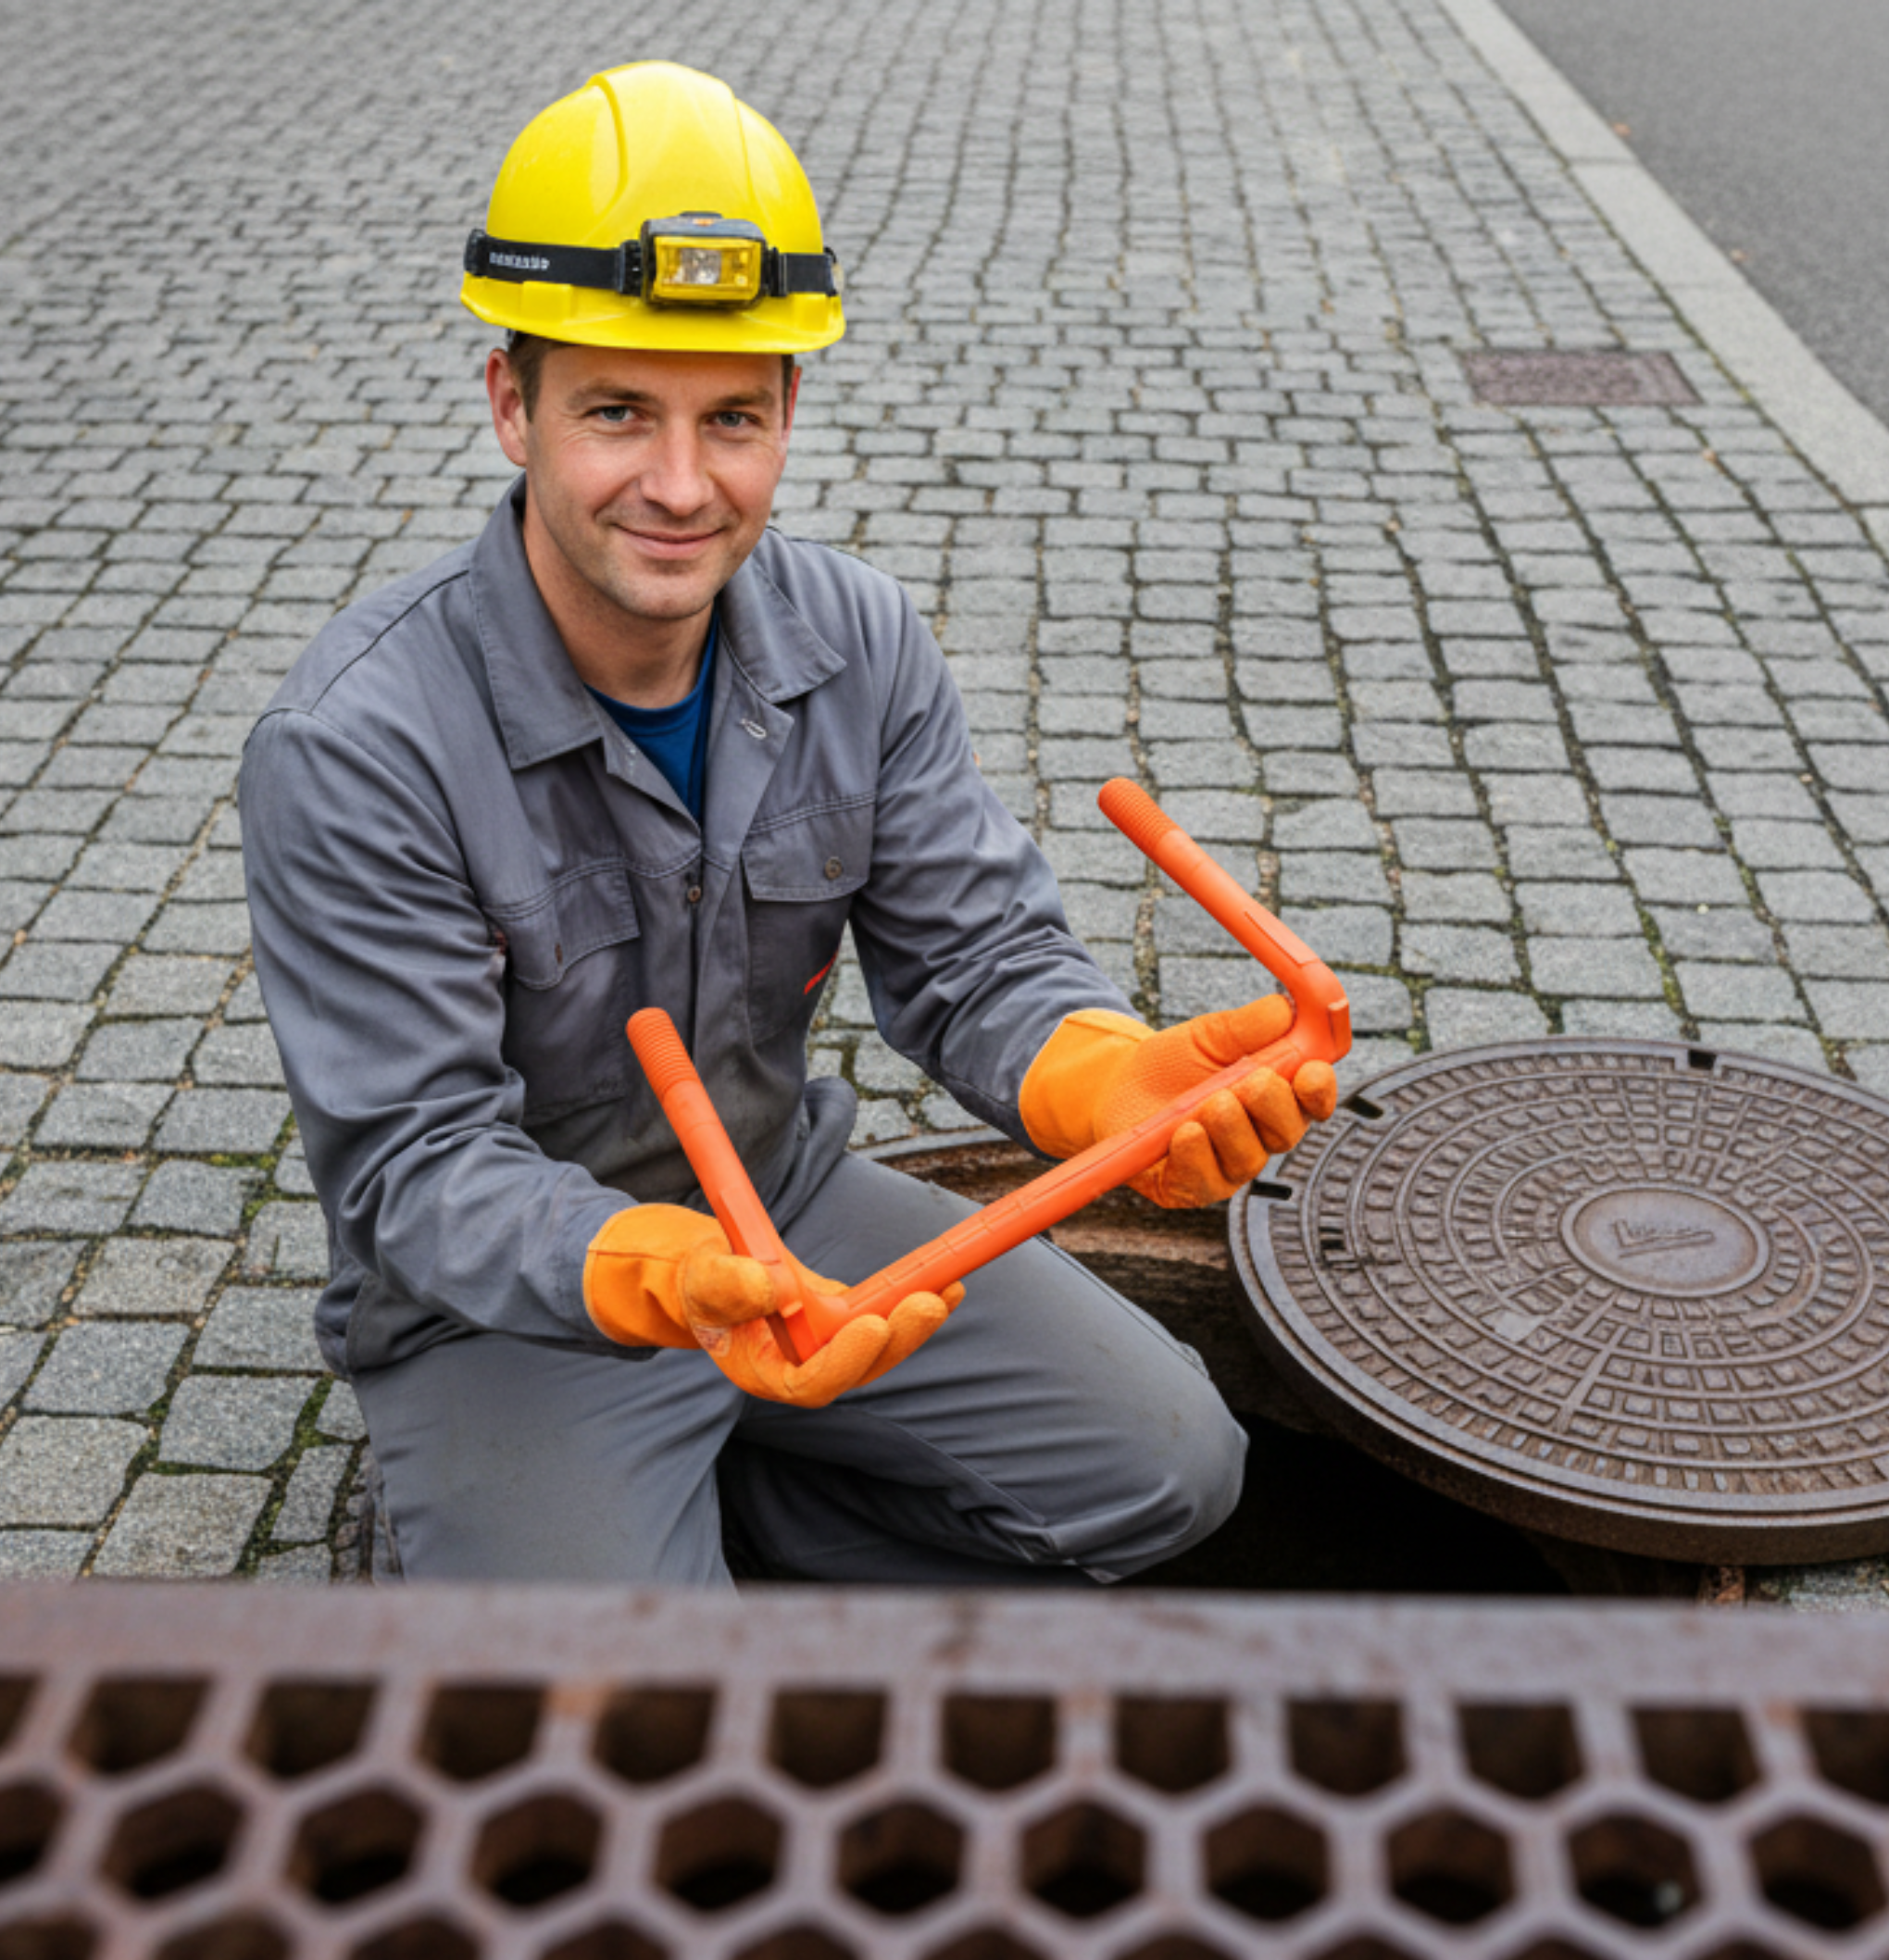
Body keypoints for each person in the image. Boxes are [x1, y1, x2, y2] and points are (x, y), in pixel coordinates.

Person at [239, 60, 1337, 1586]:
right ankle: (637, 1555)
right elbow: (417, 1169)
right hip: (518, 1304)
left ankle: (736, 1528)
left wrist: (1108, 1079)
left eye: (733, 420)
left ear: (789, 412)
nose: (682, 486)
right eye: (618, 412)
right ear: (514, 403)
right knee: (627, 1732)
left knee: (1172, 1467)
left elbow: (978, 958)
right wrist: (659, 1275)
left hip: (787, 1197)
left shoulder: (858, 639)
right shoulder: (355, 744)